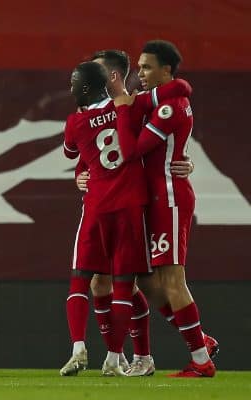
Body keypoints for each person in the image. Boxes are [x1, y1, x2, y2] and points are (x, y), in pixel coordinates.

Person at [61, 51, 192, 377]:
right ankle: (117, 356)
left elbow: (74, 149)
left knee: (134, 283)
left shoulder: (78, 119)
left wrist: (182, 161)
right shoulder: (134, 106)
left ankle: (111, 353)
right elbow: (178, 95)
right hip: (132, 204)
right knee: (118, 285)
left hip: (102, 204)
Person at [113, 40, 216, 378]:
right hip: (156, 197)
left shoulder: (171, 106)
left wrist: (126, 111)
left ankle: (201, 360)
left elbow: (136, 150)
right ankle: (201, 340)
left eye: (145, 67)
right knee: (147, 280)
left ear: (166, 70)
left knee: (172, 278)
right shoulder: (164, 98)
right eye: (139, 67)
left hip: (170, 197)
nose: (139, 73)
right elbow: (133, 100)